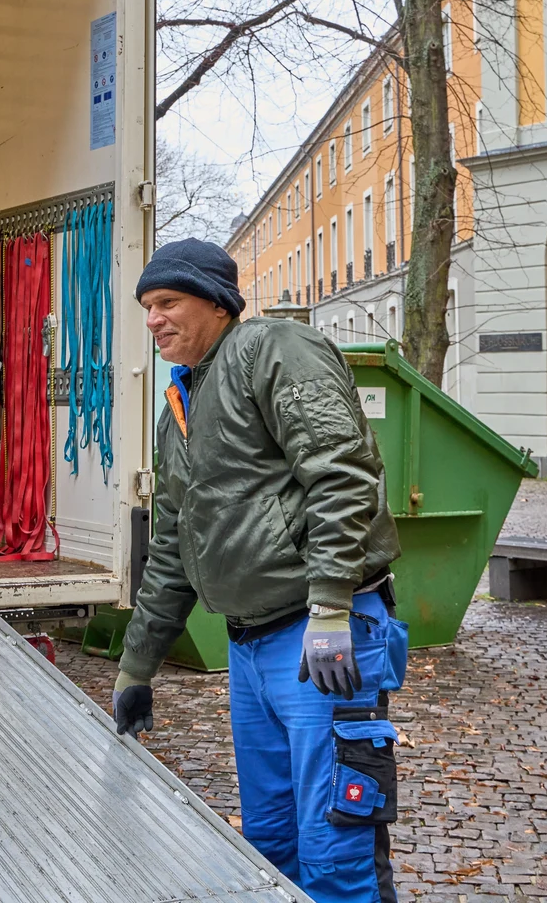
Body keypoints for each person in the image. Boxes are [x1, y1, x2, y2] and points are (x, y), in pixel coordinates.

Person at [114, 238, 406, 903]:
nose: (153, 319)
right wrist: (138, 667)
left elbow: (341, 477)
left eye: (167, 302)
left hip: (321, 642)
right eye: (146, 307)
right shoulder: (179, 410)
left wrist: (331, 607)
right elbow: (172, 548)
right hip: (249, 648)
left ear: (216, 305)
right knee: (270, 845)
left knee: (338, 843)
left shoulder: (271, 349)